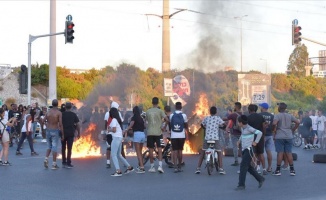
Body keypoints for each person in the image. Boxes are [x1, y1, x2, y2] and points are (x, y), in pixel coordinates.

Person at [235, 115, 265, 191]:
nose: (238, 123)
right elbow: (242, 135)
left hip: (249, 150)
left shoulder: (249, 128)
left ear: (241, 122)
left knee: (243, 166)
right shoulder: (243, 128)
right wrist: (239, 141)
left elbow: (260, 133)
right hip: (244, 149)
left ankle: (241, 185)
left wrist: (255, 142)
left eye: (238, 122)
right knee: (248, 167)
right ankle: (260, 178)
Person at [195, 106, 226, 175]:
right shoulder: (218, 118)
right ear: (216, 112)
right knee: (219, 152)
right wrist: (221, 127)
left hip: (207, 138)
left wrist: (205, 128)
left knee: (203, 152)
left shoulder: (206, 118)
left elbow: (202, 125)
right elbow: (224, 125)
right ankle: (221, 169)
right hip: (215, 138)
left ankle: (198, 168)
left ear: (210, 112)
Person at [272, 102, 299, 176]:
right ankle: (292, 170)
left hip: (280, 136)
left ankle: (278, 170)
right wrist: (293, 130)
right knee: (289, 153)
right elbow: (297, 122)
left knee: (280, 153)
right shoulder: (290, 116)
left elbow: (274, 123)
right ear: (285, 108)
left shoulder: (277, 116)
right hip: (289, 136)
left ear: (279, 108)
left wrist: (273, 129)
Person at [145, 97, 169, 173]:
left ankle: (152, 167)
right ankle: (160, 166)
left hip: (150, 133)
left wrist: (148, 128)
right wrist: (164, 127)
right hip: (159, 133)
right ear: (158, 103)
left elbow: (145, 121)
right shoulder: (160, 111)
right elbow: (167, 120)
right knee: (160, 149)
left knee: (151, 150)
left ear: (152, 102)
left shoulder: (148, 111)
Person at [109, 107, 134, 177]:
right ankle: (129, 167)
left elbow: (114, 130)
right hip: (119, 138)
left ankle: (118, 171)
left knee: (113, 155)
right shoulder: (118, 120)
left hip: (116, 138)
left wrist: (109, 130)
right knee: (119, 155)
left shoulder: (114, 120)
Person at [43, 99, 64, 170]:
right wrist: (62, 134)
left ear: (52, 104)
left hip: (48, 130)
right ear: (57, 104)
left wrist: (46, 125)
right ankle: (54, 164)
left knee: (49, 146)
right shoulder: (59, 113)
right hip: (55, 130)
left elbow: (43, 121)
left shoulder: (48, 112)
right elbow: (60, 124)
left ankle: (46, 159)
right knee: (54, 147)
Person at [124, 106, 146, 173]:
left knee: (138, 152)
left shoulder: (134, 117)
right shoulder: (141, 118)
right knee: (140, 151)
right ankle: (140, 165)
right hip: (143, 134)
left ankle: (142, 167)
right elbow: (145, 126)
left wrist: (126, 130)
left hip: (137, 134)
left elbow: (131, 125)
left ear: (133, 111)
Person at [247, 104, 266, 175]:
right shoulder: (260, 117)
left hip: (251, 137)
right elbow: (264, 126)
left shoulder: (248, 118)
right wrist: (264, 135)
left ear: (249, 110)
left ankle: (254, 169)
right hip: (260, 136)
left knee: (253, 153)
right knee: (261, 153)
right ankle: (264, 169)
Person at [169, 102, 188, 173]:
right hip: (181, 135)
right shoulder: (184, 115)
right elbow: (186, 126)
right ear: (181, 107)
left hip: (173, 135)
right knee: (180, 151)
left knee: (174, 151)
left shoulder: (171, 115)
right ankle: (180, 166)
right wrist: (187, 134)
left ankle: (175, 167)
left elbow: (170, 125)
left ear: (175, 107)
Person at [61, 102, 81, 168]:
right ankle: (68, 162)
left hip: (63, 133)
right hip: (70, 133)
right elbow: (78, 124)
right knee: (69, 149)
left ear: (65, 107)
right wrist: (79, 133)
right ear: (71, 107)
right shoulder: (73, 114)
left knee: (63, 148)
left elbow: (59, 124)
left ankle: (64, 162)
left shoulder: (62, 114)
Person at [258, 102, 274, 173]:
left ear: (263, 108)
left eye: (261, 107)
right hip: (269, 134)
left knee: (260, 152)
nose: (260, 108)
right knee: (269, 151)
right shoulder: (271, 116)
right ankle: (269, 167)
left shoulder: (259, 115)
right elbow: (274, 125)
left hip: (261, 135)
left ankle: (259, 166)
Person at [226, 102, 242, 166]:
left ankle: (236, 161)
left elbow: (226, 118)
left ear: (236, 107)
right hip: (242, 133)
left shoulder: (233, 115)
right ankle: (243, 161)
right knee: (241, 147)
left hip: (234, 133)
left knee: (235, 147)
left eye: (234, 106)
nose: (234, 107)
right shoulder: (243, 114)